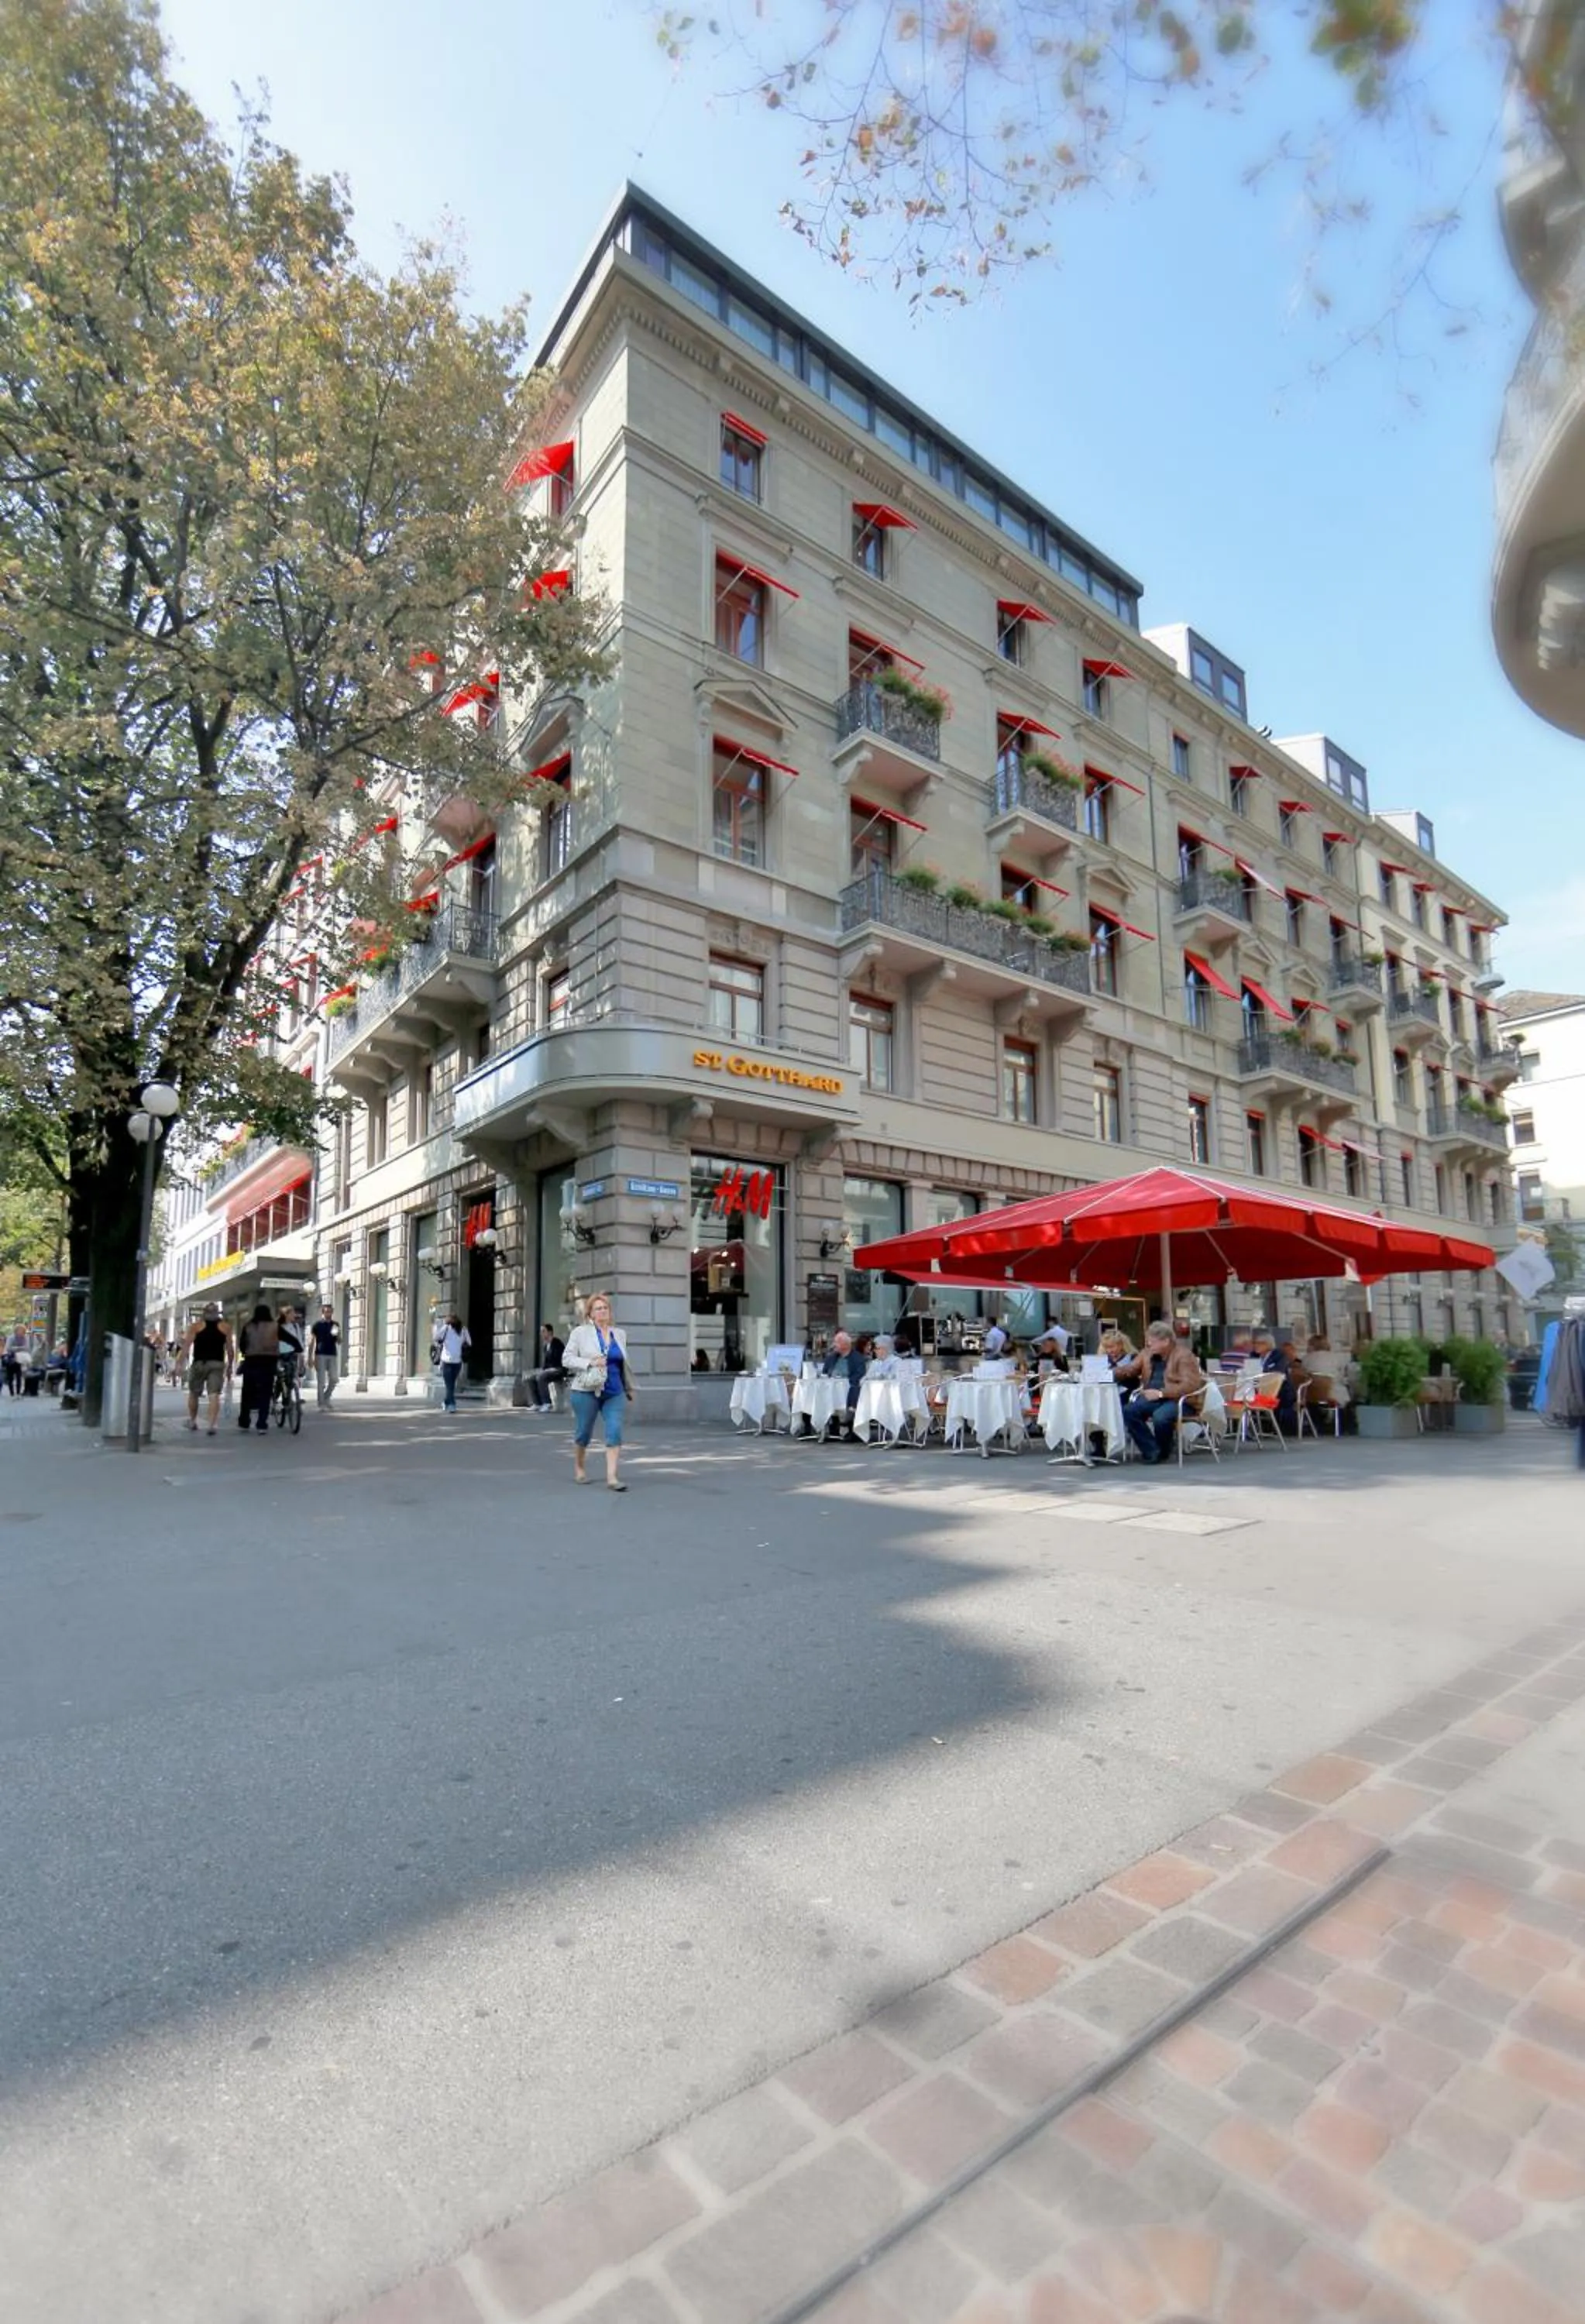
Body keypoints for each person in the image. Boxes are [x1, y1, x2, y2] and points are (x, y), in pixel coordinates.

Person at [562, 1292, 635, 1489]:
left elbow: (622, 1364)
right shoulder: (580, 1333)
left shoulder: (619, 1334)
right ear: (591, 1314)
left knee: (615, 1431)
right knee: (583, 1433)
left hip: (614, 1391)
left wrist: (628, 1387)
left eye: (605, 1308)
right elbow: (566, 1359)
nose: (603, 1311)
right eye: (598, 1309)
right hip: (587, 1390)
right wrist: (590, 1362)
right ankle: (579, 1468)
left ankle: (612, 1477)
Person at [1121, 1321, 1206, 1464]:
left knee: (1160, 1416)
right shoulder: (1147, 1353)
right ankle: (1152, 1451)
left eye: (1152, 1341)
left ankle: (1163, 1450)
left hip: (1180, 1400)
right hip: (1154, 1399)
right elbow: (1131, 1369)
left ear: (1166, 1341)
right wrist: (1108, 1373)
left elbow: (1190, 1385)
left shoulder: (1184, 1355)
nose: (1148, 1344)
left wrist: (1161, 1393)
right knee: (1129, 1411)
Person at [183, 1304, 233, 1436]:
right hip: (217, 1364)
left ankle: (193, 1421)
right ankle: (212, 1425)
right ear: (217, 1313)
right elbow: (230, 1349)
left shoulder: (196, 1327)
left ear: (204, 1313)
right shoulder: (225, 1327)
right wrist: (230, 1366)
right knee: (214, 1394)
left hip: (199, 1363)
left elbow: (187, 1346)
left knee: (194, 1393)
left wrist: (179, 1363)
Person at [236, 1303, 279, 1434]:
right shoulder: (275, 1326)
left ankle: (244, 1422)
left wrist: (246, 1352)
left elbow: (242, 1344)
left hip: (252, 1361)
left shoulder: (249, 1326)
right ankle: (262, 1424)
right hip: (269, 1361)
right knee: (265, 1393)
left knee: (247, 1393)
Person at [1252, 1329, 1298, 1431]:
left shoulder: (1279, 1356)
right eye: (1255, 1343)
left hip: (1280, 1390)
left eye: (1260, 1343)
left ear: (1269, 1345)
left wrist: (1261, 1374)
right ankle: (1252, 1427)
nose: (1256, 1346)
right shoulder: (1253, 1356)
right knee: (1245, 1395)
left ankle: (1267, 1427)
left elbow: (1277, 1373)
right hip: (1258, 1388)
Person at [820, 1329, 865, 1430]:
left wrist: (845, 1381)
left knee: (853, 1391)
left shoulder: (857, 1358)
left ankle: (849, 1423)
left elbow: (859, 1375)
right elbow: (825, 1373)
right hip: (830, 1387)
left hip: (848, 1387)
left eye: (836, 1342)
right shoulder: (831, 1358)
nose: (834, 1345)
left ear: (845, 1345)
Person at [435, 1312, 471, 1414]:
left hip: (447, 1361)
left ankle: (448, 1403)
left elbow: (436, 1338)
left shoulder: (446, 1328)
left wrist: (442, 1338)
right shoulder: (463, 1330)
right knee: (451, 1385)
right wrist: (461, 1342)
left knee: (450, 1385)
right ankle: (451, 1404)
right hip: (457, 1361)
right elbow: (469, 1342)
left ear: (448, 1321)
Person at [527, 1322, 568, 1411]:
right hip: (550, 1370)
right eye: (541, 1331)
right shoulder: (546, 1346)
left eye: (543, 1331)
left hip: (559, 1370)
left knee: (541, 1377)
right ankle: (537, 1403)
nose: (541, 1334)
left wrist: (549, 1370)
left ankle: (547, 1403)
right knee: (531, 1378)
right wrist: (544, 1370)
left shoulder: (557, 1343)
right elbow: (546, 1363)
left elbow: (560, 1360)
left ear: (550, 1332)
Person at [308, 1304, 340, 1409]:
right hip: (320, 1354)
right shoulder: (317, 1325)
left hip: (332, 1354)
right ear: (323, 1313)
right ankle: (321, 1403)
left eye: (330, 1312)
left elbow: (338, 1341)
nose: (328, 1314)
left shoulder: (335, 1325)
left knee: (334, 1379)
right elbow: (312, 1341)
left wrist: (338, 1336)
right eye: (326, 1312)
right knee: (321, 1381)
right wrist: (310, 1357)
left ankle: (326, 1397)